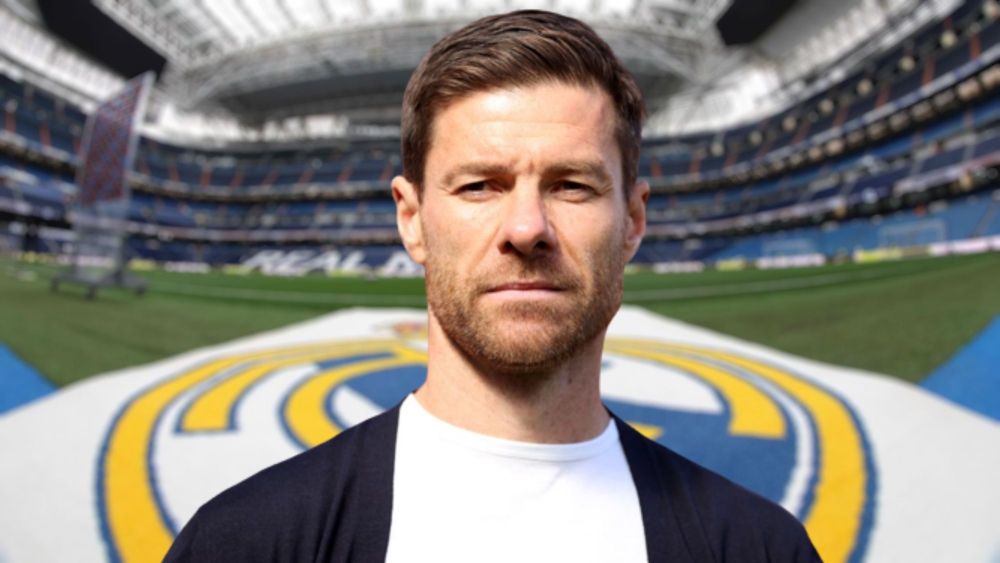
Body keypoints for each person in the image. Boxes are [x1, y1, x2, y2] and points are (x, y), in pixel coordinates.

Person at [165, 10, 820, 563]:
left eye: (572, 185)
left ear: (633, 221)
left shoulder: (761, 548)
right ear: (412, 220)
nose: (527, 228)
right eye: (480, 186)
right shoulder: (245, 542)